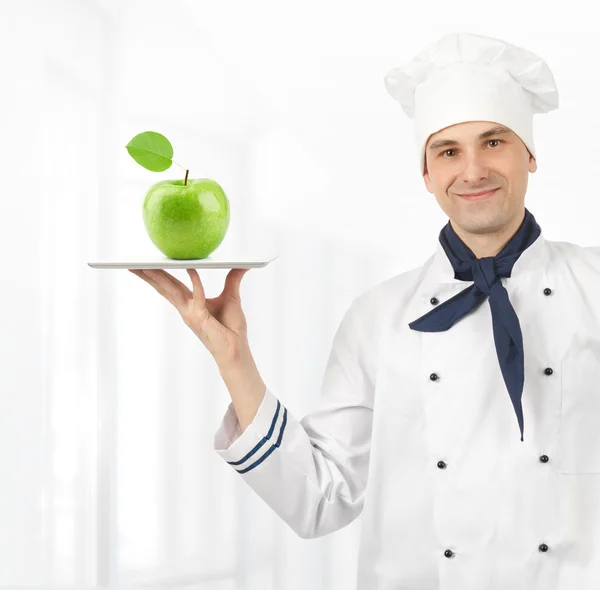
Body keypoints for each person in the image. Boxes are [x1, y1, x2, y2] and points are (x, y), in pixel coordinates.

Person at [129, 32, 600, 589]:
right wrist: (234, 359)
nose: (472, 170)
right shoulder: (377, 317)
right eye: (448, 151)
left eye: (494, 142)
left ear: (530, 155)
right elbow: (320, 499)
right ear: (427, 174)